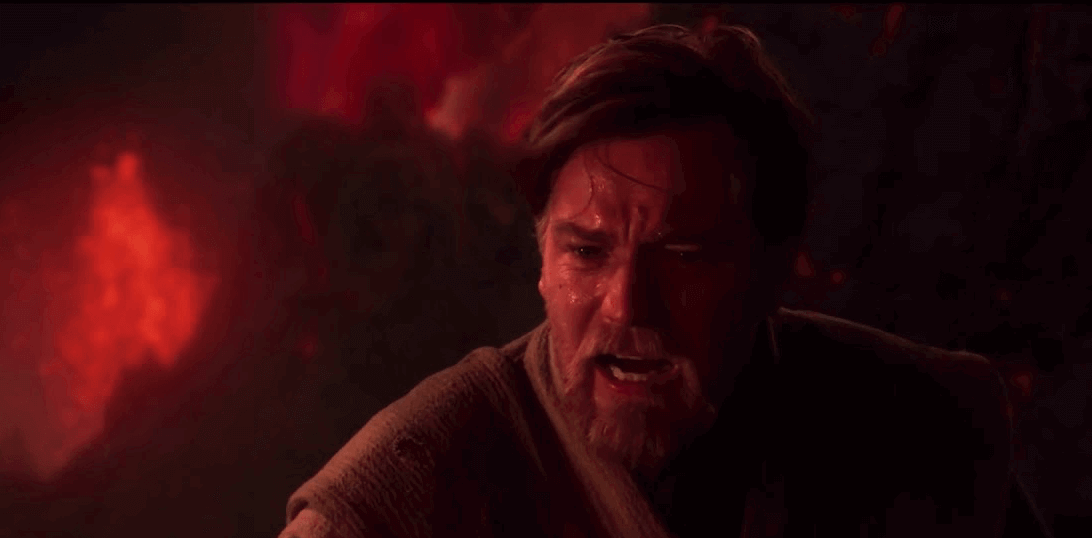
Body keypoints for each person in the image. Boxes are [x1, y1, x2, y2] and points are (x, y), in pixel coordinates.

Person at [279, 24, 1051, 538]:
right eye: (587, 253)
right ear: (543, 262)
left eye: (683, 255)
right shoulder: (395, 507)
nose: (626, 305)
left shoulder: (925, 435)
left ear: (771, 266)